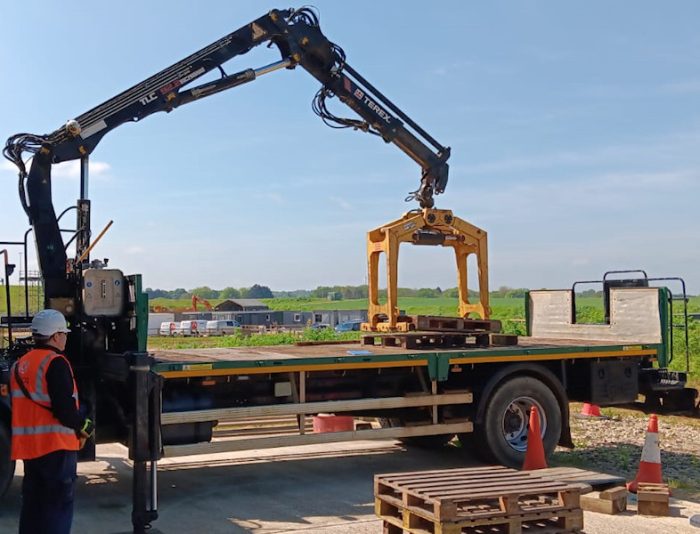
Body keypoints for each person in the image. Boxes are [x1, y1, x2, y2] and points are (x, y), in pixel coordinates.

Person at [10, 309, 94, 534]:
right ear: (56, 336)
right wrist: (85, 426)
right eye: (64, 333)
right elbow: (64, 410)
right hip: (56, 449)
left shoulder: (20, 365)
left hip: (31, 450)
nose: (66, 338)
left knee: (33, 509)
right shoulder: (56, 362)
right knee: (57, 510)